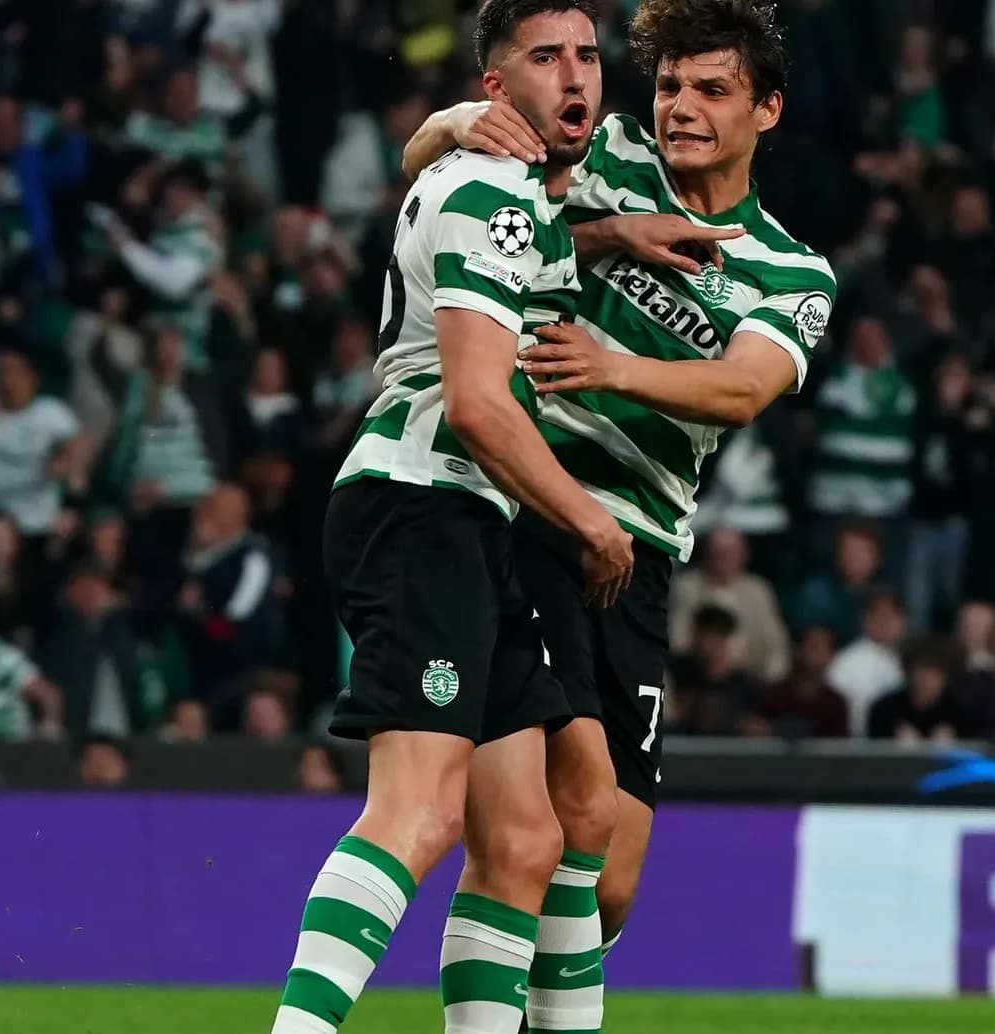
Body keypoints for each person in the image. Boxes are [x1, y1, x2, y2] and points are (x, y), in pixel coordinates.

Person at [401, 2, 835, 1026]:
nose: (680, 108)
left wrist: (613, 363)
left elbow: (740, 389)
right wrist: (468, 130)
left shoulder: (792, 270)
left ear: (765, 110)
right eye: (671, 85)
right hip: (531, 505)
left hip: (638, 548)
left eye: (711, 90)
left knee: (610, 878)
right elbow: (430, 158)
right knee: (555, 818)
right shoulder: (603, 152)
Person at [269, 4, 629, 1033]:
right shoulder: (490, 187)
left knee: (524, 835)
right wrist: (590, 523)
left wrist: (614, 233)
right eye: (545, 57)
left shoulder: (510, 193)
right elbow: (474, 405)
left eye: (588, 56)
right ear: (495, 86)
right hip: (421, 503)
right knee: (419, 812)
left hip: (467, 521)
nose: (575, 76)